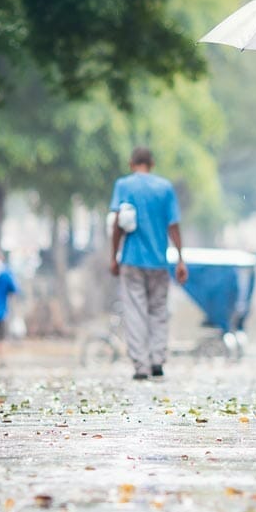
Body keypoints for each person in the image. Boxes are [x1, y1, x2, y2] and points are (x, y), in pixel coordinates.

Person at [110, 147, 188, 380]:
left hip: (132, 260)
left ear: (131, 163)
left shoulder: (123, 186)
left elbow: (117, 224)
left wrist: (114, 256)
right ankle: (157, 360)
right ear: (152, 164)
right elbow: (173, 225)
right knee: (158, 311)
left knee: (135, 312)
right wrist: (180, 259)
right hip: (158, 261)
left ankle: (141, 365)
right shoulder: (164, 188)